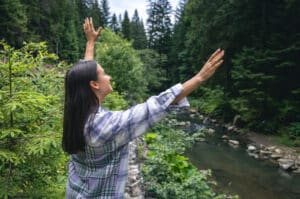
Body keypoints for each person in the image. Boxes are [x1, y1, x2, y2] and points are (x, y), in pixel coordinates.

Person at [62, 18, 224, 199]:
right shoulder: (105, 126)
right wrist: (199, 78)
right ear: (95, 85)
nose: (109, 77)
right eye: (104, 74)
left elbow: (82, 80)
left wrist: (90, 42)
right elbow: (154, 107)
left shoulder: (76, 112)